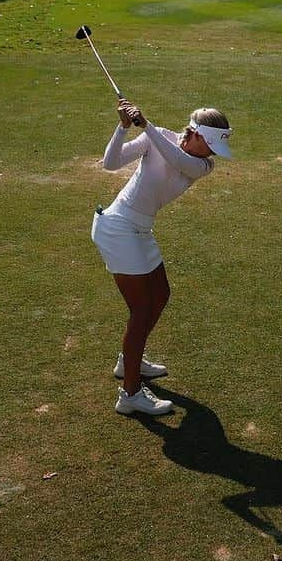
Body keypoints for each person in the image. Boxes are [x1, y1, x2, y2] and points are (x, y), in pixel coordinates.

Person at [93, 100, 233, 416]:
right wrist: (124, 127)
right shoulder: (159, 137)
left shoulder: (202, 165)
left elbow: (177, 159)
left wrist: (148, 126)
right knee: (141, 310)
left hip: (141, 230)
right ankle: (129, 394)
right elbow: (110, 163)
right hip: (117, 227)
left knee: (161, 295)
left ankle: (128, 360)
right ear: (194, 133)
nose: (211, 153)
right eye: (209, 145)